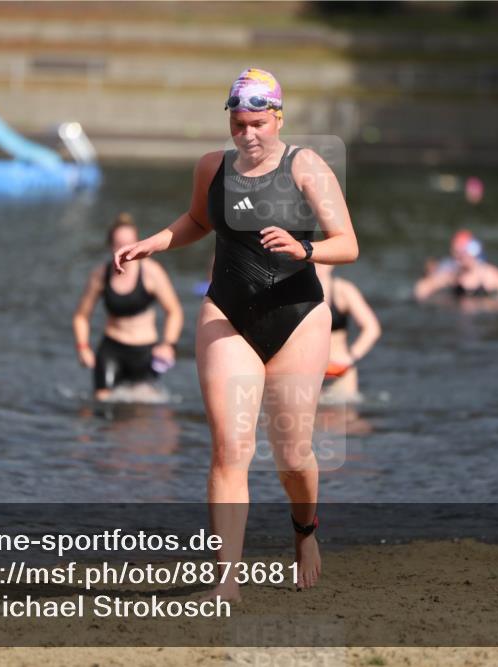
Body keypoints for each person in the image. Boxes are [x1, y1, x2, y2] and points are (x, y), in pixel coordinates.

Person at [111, 67, 358, 599]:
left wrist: (306, 250)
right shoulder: (211, 168)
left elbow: (348, 243)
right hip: (227, 313)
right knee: (229, 449)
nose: (247, 134)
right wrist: (153, 243)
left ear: (278, 118)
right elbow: (198, 222)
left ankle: (305, 531)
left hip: (298, 316)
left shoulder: (306, 167)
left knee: (293, 456)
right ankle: (227, 580)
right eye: (239, 123)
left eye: (258, 123)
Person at [73, 213, 184, 401]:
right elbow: (81, 316)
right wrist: (83, 347)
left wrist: (168, 344)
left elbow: (174, 311)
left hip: (144, 352)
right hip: (111, 349)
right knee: (102, 404)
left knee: (140, 413)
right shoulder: (100, 275)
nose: (124, 250)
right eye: (118, 244)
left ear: (137, 243)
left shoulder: (152, 272)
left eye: (129, 243)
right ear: (110, 246)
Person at [314, 263, 381, 403]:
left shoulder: (343, 290)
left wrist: (351, 356)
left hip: (340, 367)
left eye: (322, 260)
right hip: (309, 371)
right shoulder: (297, 292)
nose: (318, 265)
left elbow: (372, 328)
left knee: (347, 420)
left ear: (331, 263)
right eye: (313, 261)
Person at [413, 229, 498, 308]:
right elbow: (420, 291)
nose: (458, 258)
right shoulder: (451, 273)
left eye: (461, 254)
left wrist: (492, 305)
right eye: (455, 254)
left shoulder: (487, 274)